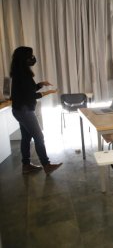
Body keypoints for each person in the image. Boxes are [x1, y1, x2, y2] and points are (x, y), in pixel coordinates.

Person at [10, 47, 62, 175]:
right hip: (24, 111)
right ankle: (46, 165)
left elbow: (30, 89)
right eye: (30, 56)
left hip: (20, 110)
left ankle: (26, 166)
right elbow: (30, 95)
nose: (33, 58)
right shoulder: (22, 74)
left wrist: (41, 84)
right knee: (39, 137)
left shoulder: (21, 72)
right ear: (24, 59)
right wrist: (46, 93)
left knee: (26, 138)